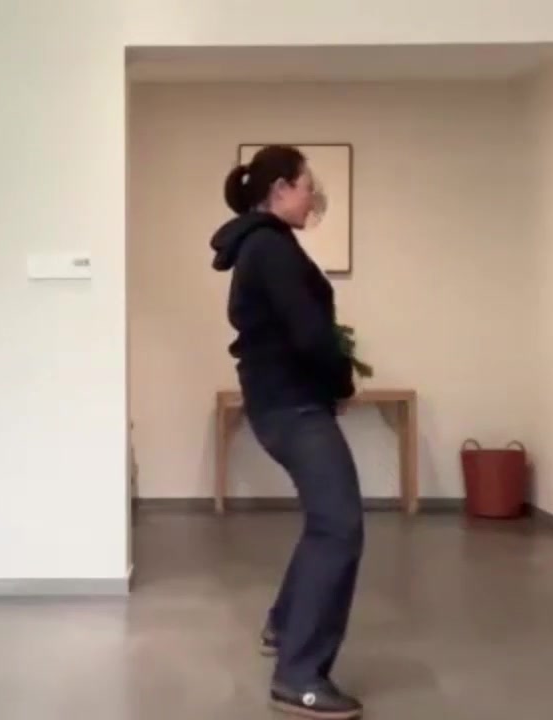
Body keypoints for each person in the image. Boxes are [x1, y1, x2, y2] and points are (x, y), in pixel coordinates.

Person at [210, 145, 364, 719]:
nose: (312, 196)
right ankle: (299, 677)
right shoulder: (270, 248)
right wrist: (341, 383)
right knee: (340, 525)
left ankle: (283, 625)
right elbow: (309, 334)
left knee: (326, 521)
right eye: (306, 185)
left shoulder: (260, 245)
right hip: (293, 406)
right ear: (279, 189)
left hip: (281, 403)